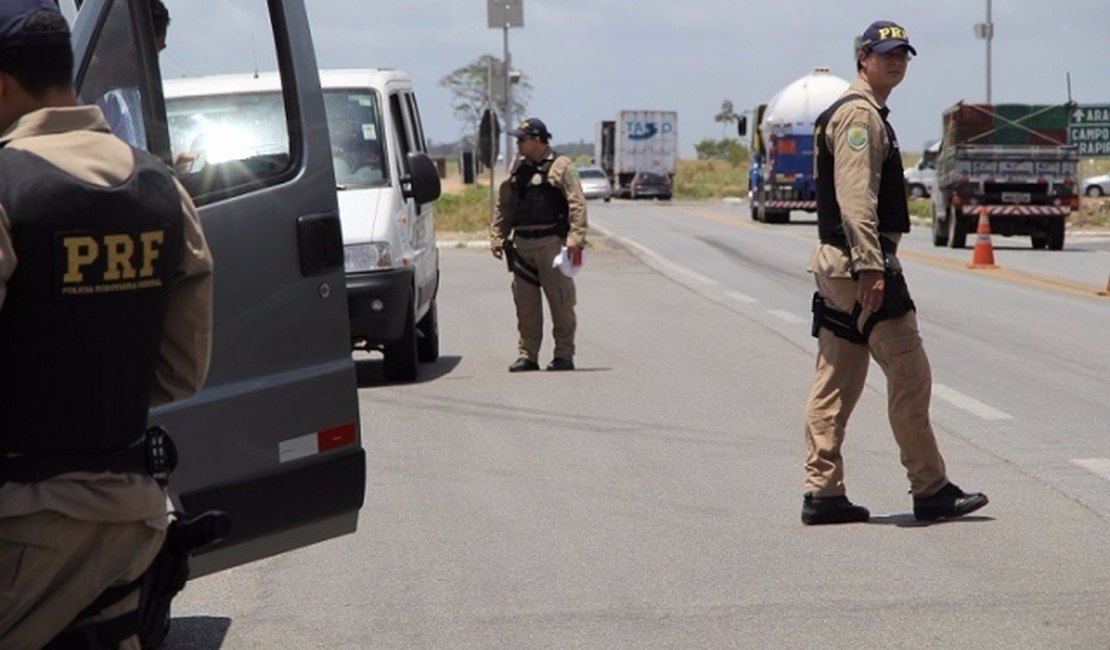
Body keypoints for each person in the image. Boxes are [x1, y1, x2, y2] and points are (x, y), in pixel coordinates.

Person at [0, 2, 213, 648]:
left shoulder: (5, 188)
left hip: (22, 527)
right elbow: (182, 370)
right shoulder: (161, 185)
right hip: (135, 523)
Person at [802, 20, 988, 525]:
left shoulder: (856, 112)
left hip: (836, 267)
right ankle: (930, 489)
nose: (896, 61)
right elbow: (855, 200)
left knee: (835, 382)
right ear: (862, 57)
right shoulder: (859, 117)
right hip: (860, 264)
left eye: (903, 54)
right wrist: (871, 266)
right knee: (910, 377)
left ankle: (823, 493)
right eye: (886, 53)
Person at [490, 117, 587, 372]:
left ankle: (563, 355)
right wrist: (497, 236)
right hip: (522, 246)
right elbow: (505, 205)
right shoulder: (517, 168)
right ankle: (527, 355)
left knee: (561, 302)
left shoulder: (563, 166)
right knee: (525, 305)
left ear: (537, 140)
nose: (518, 144)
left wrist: (576, 238)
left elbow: (577, 203)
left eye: (522, 140)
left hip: (552, 245)